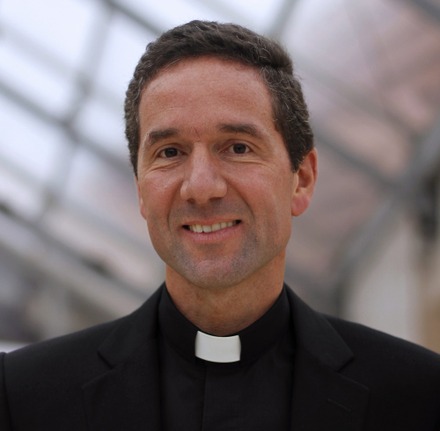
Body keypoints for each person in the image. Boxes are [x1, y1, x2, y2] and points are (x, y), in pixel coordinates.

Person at [1, 20, 439, 431]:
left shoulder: (418, 397)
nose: (201, 187)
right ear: (141, 190)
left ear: (302, 179)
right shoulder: (24, 397)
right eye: (170, 152)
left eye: (238, 147)